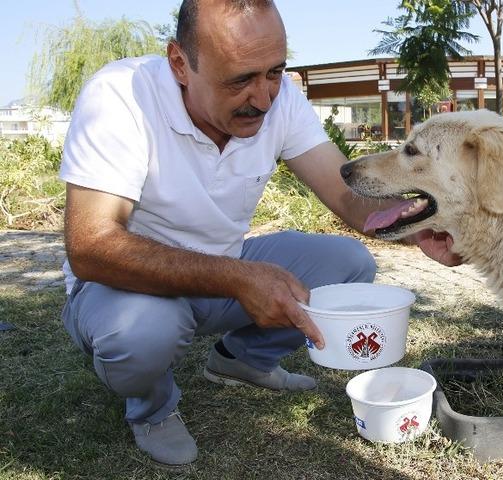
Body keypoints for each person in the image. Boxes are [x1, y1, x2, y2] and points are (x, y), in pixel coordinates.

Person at [59, 0, 460, 469]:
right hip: (128, 288)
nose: (265, 99)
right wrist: (238, 278)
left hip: (222, 270)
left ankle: (242, 361)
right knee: (140, 335)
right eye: (240, 80)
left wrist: (420, 224)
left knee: (349, 264)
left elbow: (348, 197)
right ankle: (152, 408)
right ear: (180, 64)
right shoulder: (121, 96)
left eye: (275, 72)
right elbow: (91, 246)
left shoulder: (280, 100)